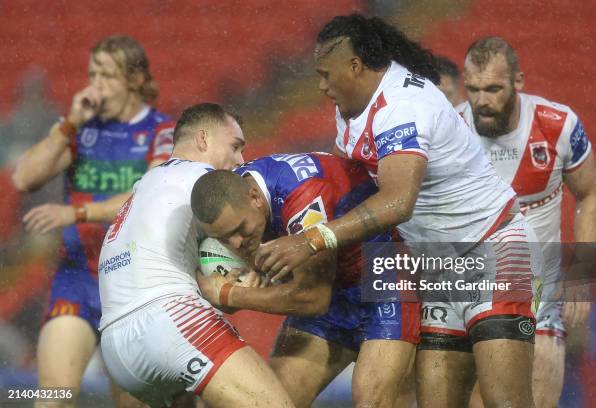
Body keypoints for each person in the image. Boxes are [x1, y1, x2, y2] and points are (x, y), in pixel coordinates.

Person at [254, 14, 542, 407]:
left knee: (504, 399)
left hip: (490, 248)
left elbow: (396, 203)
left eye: (326, 74)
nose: (321, 86)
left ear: (355, 66)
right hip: (430, 265)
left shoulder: (403, 107)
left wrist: (310, 241)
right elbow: (346, 187)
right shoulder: (353, 106)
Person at [11, 35, 174, 408]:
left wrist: (78, 212)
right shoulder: (79, 130)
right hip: (77, 279)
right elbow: (23, 178)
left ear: (133, 79)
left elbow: (147, 196)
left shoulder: (162, 131)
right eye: (92, 73)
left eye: (107, 74)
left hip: (134, 286)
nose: (95, 83)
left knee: (133, 404)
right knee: (52, 396)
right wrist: (69, 123)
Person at [98, 102, 294, 408]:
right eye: (235, 146)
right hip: (167, 318)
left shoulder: (147, 183)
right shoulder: (203, 180)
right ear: (203, 139)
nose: (240, 159)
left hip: (115, 346)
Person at [191, 153, 419, 408]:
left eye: (239, 230)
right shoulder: (242, 194)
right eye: (224, 239)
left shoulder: (302, 196)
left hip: (384, 279)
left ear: (255, 197)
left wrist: (228, 294)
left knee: (371, 402)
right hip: (334, 285)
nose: (236, 244)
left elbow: (313, 299)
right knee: (271, 403)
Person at [457, 36, 596, 407]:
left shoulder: (559, 125)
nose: (482, 101)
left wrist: (581, 275)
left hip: (539, 289)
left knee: (536, 396)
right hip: (468, 284)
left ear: (519, 81)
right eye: (473, 89)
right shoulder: (452, 129)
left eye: (493, 88)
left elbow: (590, 195)